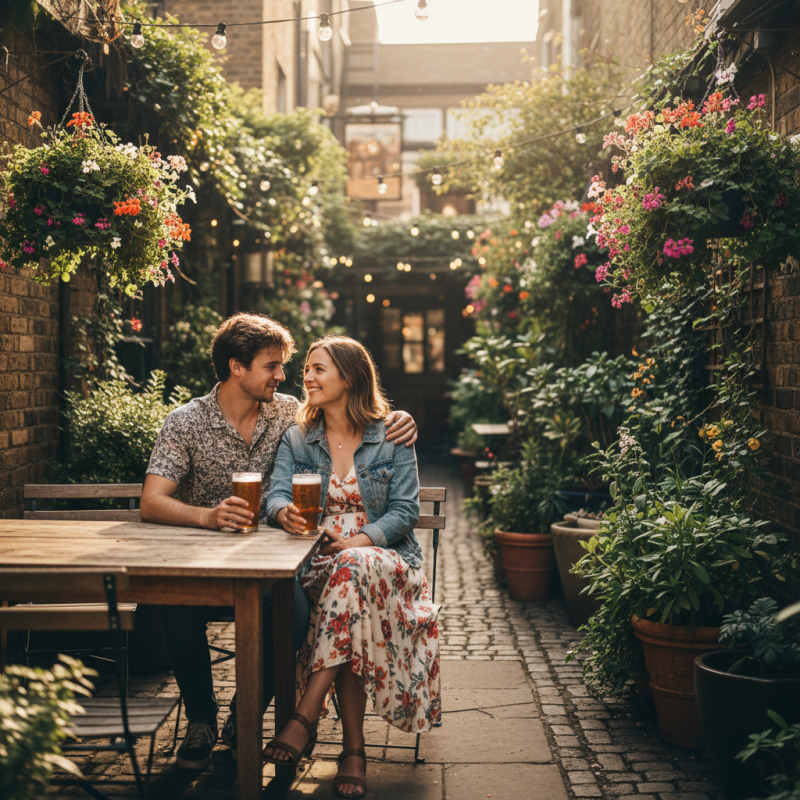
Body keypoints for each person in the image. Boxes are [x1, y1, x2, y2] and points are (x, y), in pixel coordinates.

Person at [140, 314, 417, 770]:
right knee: (177, 604)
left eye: (291, 367)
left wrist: (403, 419)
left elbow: (355, 414)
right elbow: (151, 502)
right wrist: (209, 517)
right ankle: (201, 721)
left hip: (271, 563)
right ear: (237, 368)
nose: (286, 376)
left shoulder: (289, 413)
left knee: (294, 608)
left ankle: (242, 714)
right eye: (272, 366)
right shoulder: (186, 421)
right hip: (202, 561)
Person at [264, 335, 441, 798]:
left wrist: (354, 542)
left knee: (354, 568)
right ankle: (353, 752)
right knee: (349, 591)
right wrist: (283, 511)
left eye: (318, 369)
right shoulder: (299, 436)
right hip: (320, 564)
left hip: (387, 565)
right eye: (306, 368)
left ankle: (304, 718)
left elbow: (404, 512)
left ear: (349, 377)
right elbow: (276, 493)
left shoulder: (391, 434)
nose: (307, 377)